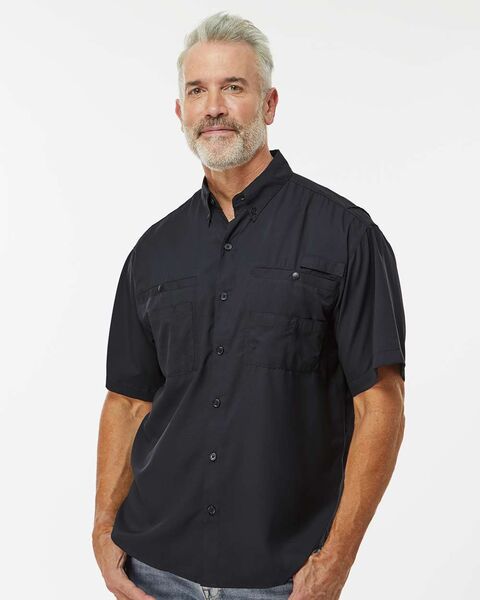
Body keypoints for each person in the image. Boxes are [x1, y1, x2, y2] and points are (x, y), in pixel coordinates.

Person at [92, 10, 406, 600]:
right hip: (154, 570)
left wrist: (336, 560)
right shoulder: (153, 252)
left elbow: (380, 404)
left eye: (233, 87)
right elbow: (128, 401)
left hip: (283, 578)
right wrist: (103, 531)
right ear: (179, 111)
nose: (213, 107)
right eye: (197, 90)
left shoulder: (345, 235)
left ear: (269, 103)